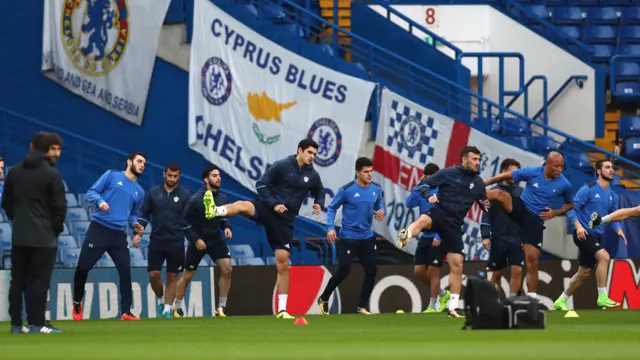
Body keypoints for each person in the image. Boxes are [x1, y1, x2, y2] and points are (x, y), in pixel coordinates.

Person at [203, 139, 325, 319]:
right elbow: (260, 184)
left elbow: (320, 191)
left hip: (285, 220)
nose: (312, 157)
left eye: (314, 154)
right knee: (243, 205)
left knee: (283, 262)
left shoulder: (312, 175)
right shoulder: (282, 165)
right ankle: (215, 211)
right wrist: (274, 204)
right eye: (309, 153)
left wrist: (318, 203)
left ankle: (282, 310)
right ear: (300, 150)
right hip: (268, 208)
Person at [397, 146, 488, 318]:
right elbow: (423, 186)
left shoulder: (478, 182)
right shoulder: (447, 173)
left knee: (457, 264)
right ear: (464, 159)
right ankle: (406, 235)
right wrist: (428, 196)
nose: (478, 162)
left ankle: (452, 307)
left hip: (454, 225)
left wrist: (486, 204)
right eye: (474, 159)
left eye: (479, 159)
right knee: (424, 220)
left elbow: (483, 202)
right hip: (440, 214)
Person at [483, 151, 574, 299]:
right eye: (556, 166)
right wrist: (485, 183)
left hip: (535, 221)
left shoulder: (565, 184)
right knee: (500, 194)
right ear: (547, 164)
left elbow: (570, 204)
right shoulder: (533, 172)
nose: (559, 169)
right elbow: (505, 176)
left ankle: (532, 300)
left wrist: (555, 212)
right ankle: (472, 192)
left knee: (532, 262)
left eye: (562, 167)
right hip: (521, 208)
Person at [2, 132, 66, 334]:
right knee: (39, 280)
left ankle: (16, 325)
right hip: (44, 238)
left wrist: (18, 221)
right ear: (47, 150)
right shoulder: (52, 175)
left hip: (20, 235)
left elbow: (6, 204)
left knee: (18, 280)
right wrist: (52, 230)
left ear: (31, 147)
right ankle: (38, 323)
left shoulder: (14, 172)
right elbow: (59, 209)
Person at [72, 152, 146, 321]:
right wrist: (100, 201)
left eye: (144, 163)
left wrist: (135, 224)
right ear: (129, 162)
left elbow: (133, 215)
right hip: (99, 229)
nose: (142, 165)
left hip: (118, 234)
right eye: (139, 161)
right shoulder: (111, 175)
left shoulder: (140, 192)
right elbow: (91, 192)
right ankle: (77, 301)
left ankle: (126, 311)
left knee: (125, 271)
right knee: (83, 267)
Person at [317, 157, 385, 315]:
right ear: (357, 173)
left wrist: (381, 211)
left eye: (371, 171)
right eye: (366, 172)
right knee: (344, 270)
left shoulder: (376, 189)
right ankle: (324, 298)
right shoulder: (346, 190)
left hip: (367, 237)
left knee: (371, 270)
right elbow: (332, 208)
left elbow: (379, 204)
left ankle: (362, 307)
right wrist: (330, 228)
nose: (369, 175)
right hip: (349, 237)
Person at [555, 160, 626, 310]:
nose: (611, 170)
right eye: (607, 167)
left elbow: (613, 218)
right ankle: (602, 296)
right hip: (583, 233)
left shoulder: (613, 195)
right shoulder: (588, 189)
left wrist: (618, 229)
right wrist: (579, 226)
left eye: (612, 168)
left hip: (597, 235)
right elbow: (570, 209)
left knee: (584, 273)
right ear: (599, 171)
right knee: (604, 256)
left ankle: (561, 300)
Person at [134, 163, 192, 318]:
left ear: (179, 176)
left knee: (173, 276)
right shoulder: (153, 192)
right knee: (154, 275)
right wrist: (139, 233)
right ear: (164, 174)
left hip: (176, 242)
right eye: (170, 175)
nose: (172, 178)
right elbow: (144, 214)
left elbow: (189, 219)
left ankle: (167, 309)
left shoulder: (186, 195)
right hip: (157, 241)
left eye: (175, 176)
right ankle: (161, 300)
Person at [173, 166, 232, 317]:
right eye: (214, 175)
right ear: (206, 180)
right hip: (197, 242)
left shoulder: (223, 198)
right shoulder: (195, 200)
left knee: (227, 269)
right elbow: (184, 223)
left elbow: (223, 217)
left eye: (219, 175)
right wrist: (196, 239)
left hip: (215, 239)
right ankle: (177, 308)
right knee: (188, 275)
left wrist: (226, 227)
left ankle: (221, 308)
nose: (218, 178)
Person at [405, 163, 450, 313]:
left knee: (433, 270)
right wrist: (418, 185)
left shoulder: (442, 191)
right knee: (418, 271)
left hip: (439, 235)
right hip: (425, 235)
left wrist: (438, 235)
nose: (429, 180)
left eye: (431, 178)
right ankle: (443, 294)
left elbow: (446, 215)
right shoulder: (422, 189)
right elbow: (409, 203)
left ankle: (432, 306)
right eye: (427, 178)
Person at [480, 158, 524, 298]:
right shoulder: (493, 192)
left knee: (517, 270)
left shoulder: (522, 192)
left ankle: (511, 301)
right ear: (504, 173)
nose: (515, 176)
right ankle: (495, 301)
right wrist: (485, 236)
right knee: (497, 272)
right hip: (498, 238)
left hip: (517, 238)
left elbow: (528, 217)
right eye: (512, 172)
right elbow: (486, 215)